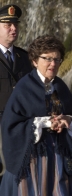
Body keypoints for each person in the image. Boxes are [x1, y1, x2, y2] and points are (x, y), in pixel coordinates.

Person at [0, 35, 72, 196]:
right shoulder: (24, 88)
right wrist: (44, 123)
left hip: (61, 155)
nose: (53, 64)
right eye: (47, 59)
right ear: (34, 61)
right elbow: (11, 126)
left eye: (57, 59)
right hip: (34, 160)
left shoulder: (60, 86)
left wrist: (67, 120)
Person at [0, 4, 33, 182]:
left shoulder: (24, 58)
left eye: (15, 24)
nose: (13, 29)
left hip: (22, 123)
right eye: (7, 25)